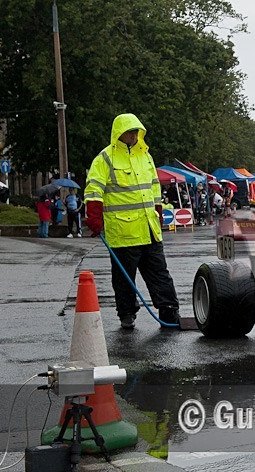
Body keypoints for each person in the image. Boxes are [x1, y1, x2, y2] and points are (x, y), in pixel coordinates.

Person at [83, 113, 180, 330]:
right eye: (129, 132)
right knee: (124, 279)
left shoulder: (145, 156)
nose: (134, 135)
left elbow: (154, 186)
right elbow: (93, 188)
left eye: (136, 131)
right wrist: (94, 215)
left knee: (159, 273)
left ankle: (169, 310)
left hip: (148, 227)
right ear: (119, 134)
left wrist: (157, 210)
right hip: (123, 230)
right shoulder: (105, 158)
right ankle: (127, 313)